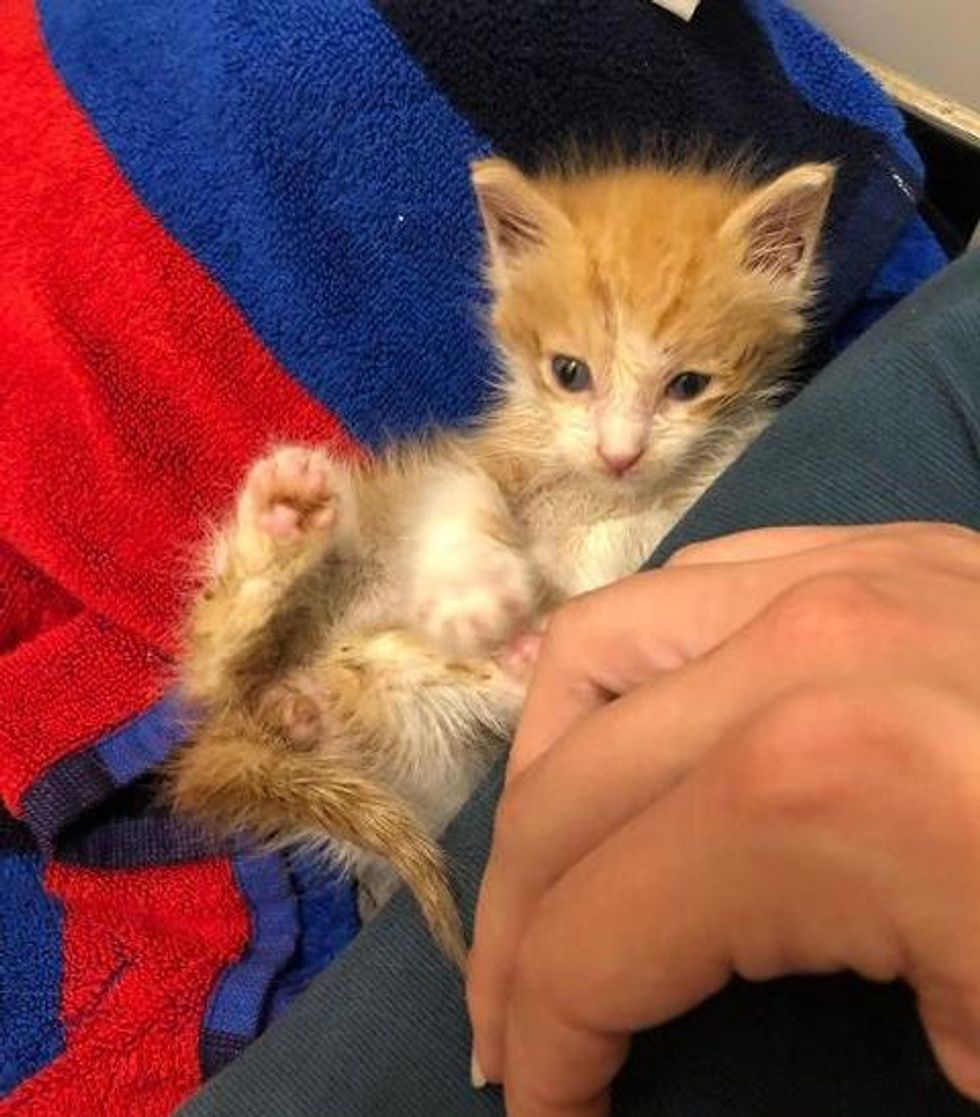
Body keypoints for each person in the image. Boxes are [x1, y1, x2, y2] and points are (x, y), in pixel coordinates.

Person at [183, 254, 980, 1117]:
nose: (620, 443)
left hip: (427, 714)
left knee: (457, 752)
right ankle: (269, 616)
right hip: (409, 646)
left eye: (683, 386)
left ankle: (295, 662)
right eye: (574, 375)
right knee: (402, 595)